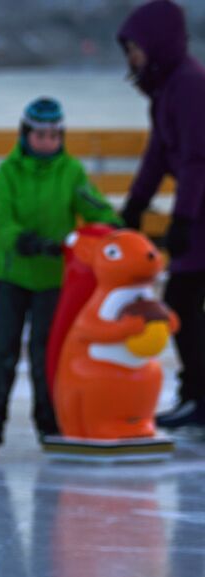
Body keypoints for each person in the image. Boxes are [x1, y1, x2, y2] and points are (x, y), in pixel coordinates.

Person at [0, 97, 119, 454]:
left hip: (53, 281)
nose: (47, 142)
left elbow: (93, 206)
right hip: (12, 276)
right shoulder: (10, 171)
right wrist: (22, 240)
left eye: (54, 135)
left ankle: (51, 421)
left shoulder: (71, 172)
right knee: (4, 348)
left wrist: (116, 229)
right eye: (40, 135)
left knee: (47, 353)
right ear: (25, 135)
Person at [117, 0, 205, 430]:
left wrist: (183, 220)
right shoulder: (168, 87)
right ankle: (197, 396)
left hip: (201, 211)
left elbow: (196, 159)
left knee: (183, 301)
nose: (132, 58)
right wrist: (135, 205)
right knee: (184, 302)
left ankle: (198, 397)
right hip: (199, 210)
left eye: (135, 48)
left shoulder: (189, 85)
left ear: (157, 44)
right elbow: (158, 154)